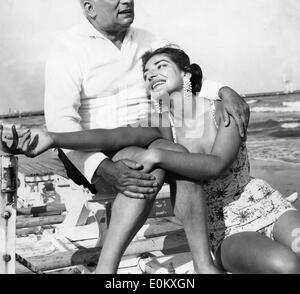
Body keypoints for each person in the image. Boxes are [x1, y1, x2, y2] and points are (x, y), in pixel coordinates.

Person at [5, 0, 249, 274]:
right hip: (90, 147)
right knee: (153, 165)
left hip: (145, 135)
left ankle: (204, 266)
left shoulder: (148, 39)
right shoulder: (68, 48)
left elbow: (181, 71)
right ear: (89, 9)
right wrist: (103, 168)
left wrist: (225, 91)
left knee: (176, 157)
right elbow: (62, 123)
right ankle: (108, 270)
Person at [3, 46, 300, 274]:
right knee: (286, 265)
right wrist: (54, 138)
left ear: (185, 74)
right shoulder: (162, 125)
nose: (151, 75)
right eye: (146, 74)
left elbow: (216, 165)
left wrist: (158, 153)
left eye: (160, 66)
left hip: (265, 203)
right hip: (225, 227)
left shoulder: (223, 111)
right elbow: (113, 136)